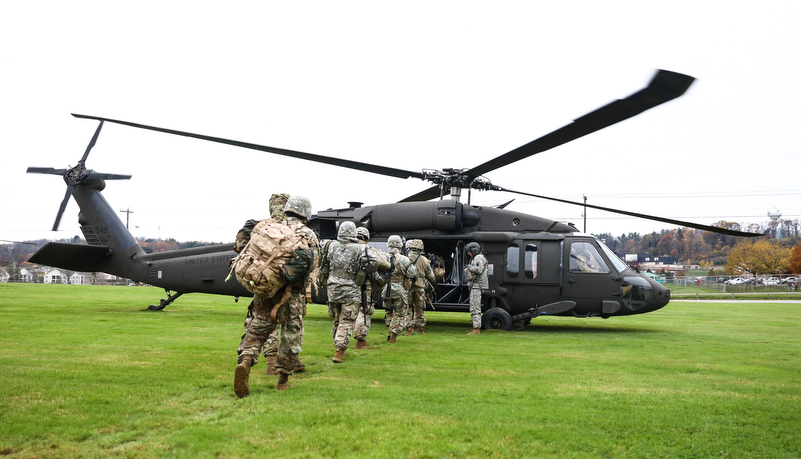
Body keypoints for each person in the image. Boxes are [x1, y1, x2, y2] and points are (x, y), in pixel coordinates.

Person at [234, 196, 319, 397]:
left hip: (265, 286)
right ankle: (282, 380)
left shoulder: (270, 226)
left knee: (258, 328)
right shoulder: (307, 234)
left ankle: (246, 361)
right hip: (291, 294)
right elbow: (313, 264)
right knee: (291, 335)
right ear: (305, 213)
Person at [321, 221, 363, 363]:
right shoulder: (359, 248)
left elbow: (325, 266)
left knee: (337, 320)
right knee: (346, 320)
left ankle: (338, 346)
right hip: (350, 291)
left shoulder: (330, 246)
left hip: (333, 289)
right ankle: (339, 351)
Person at [353, 226, 390, 349]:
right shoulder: (370, 250)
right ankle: (360, 340)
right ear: (367, 238)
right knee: (364, 311)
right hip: (364, 286)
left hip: (347, 286)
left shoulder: (345, 248)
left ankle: (339, 344)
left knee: (345, 313)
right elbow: (386, 265)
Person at [382, 235, 418, 343]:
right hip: (399, 289)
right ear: (400, 245)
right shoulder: (404, 259)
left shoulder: (383, 257)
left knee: (389, 311)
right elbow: (412, 273)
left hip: (386, 288)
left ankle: (389, 329)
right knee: (399, 312)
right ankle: (393, 336)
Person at [405, 239, 436, 335]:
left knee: (408, 309)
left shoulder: (405, 258)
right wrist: (434, 282)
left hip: (408, 287)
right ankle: (421, 329)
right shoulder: (424, 260)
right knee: (420, 309)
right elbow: (430, 275)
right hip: (420, 288)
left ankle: (409, 329)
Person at [464, 242, 488, 335]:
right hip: (476, 285)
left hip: (477, 285)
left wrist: (469, 267)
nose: (468, 254)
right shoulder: (479, 257)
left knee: (475, 307)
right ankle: (475, 327)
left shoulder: (478, 258)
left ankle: (476, 329)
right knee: (474, 307)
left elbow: (478, 270)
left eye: (469, 252)